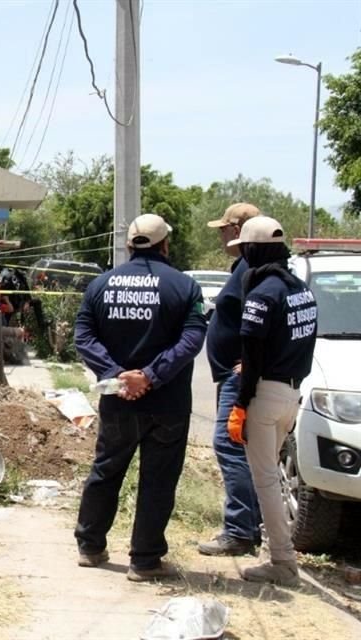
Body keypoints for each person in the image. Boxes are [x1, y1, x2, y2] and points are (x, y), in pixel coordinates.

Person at [73, 213, 207, 581]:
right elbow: (192, 339)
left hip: (118, 401)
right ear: (166, 244)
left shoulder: (101, 285)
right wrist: (151, 375)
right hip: (168, 403)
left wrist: (117, 375)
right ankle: (144, 561)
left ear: (129, 245)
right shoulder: (185, 287)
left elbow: (83, 337)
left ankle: (90, 546)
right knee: (158, 479)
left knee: (106, 469)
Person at [227, 216, 317, 587]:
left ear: (253, 249)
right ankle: (277, 551)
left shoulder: (263, 294)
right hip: (291, 394)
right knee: (274, 479)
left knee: (264, 480)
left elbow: (253, 348)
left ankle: (281, 559)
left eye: (244, 250)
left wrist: (241, 402)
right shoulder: (300, 290)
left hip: (265, 396)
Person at [198, 203, 265, 557]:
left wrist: (246, 363)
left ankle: (239, 531)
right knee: (241, 448)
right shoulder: (243, 267)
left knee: (228, 445)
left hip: (237, 377)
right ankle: (248, 526)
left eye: (225, 228)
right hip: (233, 375)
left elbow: (261, 322)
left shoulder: (252, 271)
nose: (221, 233)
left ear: (239, 230)